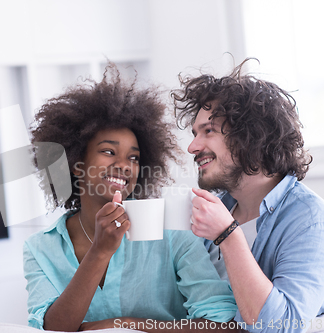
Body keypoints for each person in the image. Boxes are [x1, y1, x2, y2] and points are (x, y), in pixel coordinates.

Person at [23, 63, 239, 332]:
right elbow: (51, 329)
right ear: (76, 164)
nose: (125, 165)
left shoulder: (171, 230)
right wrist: (100, 251)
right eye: (109, 152)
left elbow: (223, 324)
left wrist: (126, 326)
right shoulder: (40, 249)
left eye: (134, 157)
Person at [172, 58, 324, 333]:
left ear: (251, 137)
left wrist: (228, 236)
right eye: (195, 134)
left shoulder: (310, 218)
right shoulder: (216, 208)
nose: (193, 147)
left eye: (209, 131)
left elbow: (281, 327)